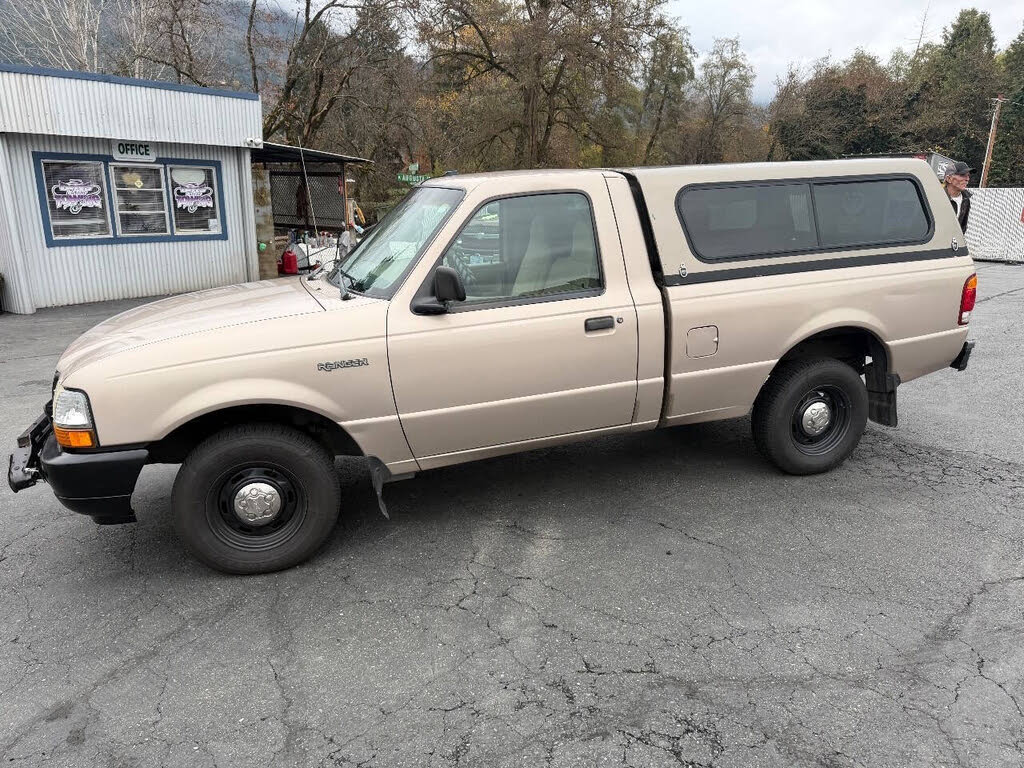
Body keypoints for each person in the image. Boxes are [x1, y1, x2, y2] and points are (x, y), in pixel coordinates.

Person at [942, 160, 972, 234]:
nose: (967, 179)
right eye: (962, 175)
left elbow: (963, 227)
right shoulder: (938, 197)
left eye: (968, 176)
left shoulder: (966, 199)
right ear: (949, 179)